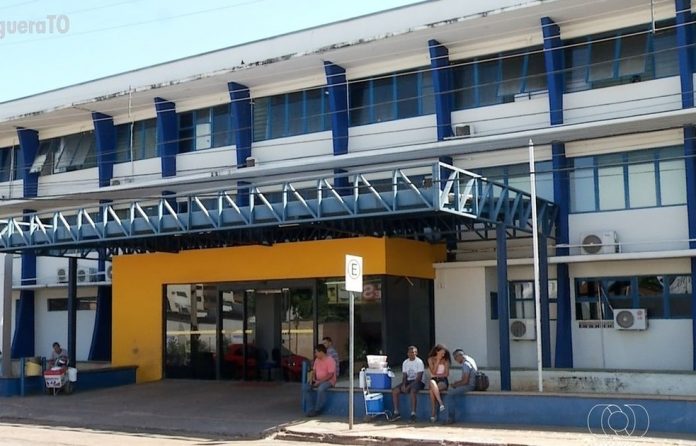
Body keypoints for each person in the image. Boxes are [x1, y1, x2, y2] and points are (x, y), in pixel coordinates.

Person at [390, 345, 424, 422]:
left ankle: (413, 414)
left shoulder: (419, 362)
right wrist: (403, 385)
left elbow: (419, 378)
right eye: (410, 352)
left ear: (416, 353)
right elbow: (404, 376)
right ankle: (396, 413)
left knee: (412, 391)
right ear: (407, 353)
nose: (411, 354)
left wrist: (408, 387)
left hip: (418, 382)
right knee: (395, 391)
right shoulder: (405, 362)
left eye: (413, 352)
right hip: (408, 381)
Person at [443, 349, 477, 424]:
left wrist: (455, 385)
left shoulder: (466, 364)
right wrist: (457, 383)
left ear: (460, 356)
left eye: (455, 358)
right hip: (471, 384)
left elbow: (465, 381)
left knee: (450, 394)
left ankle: (450, 418)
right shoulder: (470, 360)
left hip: (469, 386)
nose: (456, 360)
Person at [303, 344, 336, 417]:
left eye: (316, 352)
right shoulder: (317, 360)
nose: (315, 354)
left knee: (321, 388)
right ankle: (311, 409)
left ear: (321, 352)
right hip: (317, 380)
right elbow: (314, 371)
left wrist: (320, 382)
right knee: (306, 388)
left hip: (329, 381)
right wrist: (312, 379)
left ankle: (317, 409)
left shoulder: (330, 360)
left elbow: (330, 375)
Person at [427, 344, 450, 422]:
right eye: (441, 353)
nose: (443, 355)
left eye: (444, 353)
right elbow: (433, 371)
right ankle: (440, 403)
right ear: (437, 352)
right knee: (432, 382)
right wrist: (437, 360)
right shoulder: (431, 359)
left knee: (432, 391)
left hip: (443, 380)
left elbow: (446, 374)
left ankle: (433, 413)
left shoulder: (446, 360)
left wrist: (437, 375)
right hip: (433, 380)